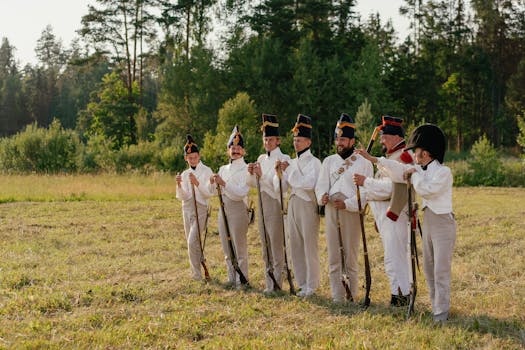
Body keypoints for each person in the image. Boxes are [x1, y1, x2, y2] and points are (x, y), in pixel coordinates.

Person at [356, 123, 456, 322]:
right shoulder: (420, 169)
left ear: (426, 153)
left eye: (417, 151)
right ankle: (436, 308)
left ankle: (441, 313)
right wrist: (375, 160)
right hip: (428, 221)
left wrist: (414, 175)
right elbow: (397, 169)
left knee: (440, 269)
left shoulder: (443, 172)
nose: (414, 155)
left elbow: (428, 190)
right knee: (428, 268)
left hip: (443, 223)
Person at [353, 116, 413, 306]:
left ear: (395, 137)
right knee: (391, 256)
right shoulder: (392, 157)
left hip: (396, 216)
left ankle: (402, 296)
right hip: (386, 216)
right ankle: (397, 293)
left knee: (396, 257)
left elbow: (391, 188)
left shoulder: (403, 157)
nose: (381, 140)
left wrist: (366, 182)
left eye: (384, 136)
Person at [315, 113, 373, 302]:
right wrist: (322, 196)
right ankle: (337, 296)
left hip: (351, 211)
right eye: (337, 139)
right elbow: (321, 184)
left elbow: (366, 191)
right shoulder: (329, 161)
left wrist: (347, 204)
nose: (339, 143)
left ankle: (352, 295)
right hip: (332, 209)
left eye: (343, 139)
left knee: (350, 255)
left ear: (352, 141)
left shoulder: (363, 162)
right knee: (333, 255)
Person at [276, 114, 321, 297]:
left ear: (308, 142)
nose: (296, 143)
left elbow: (308, 183)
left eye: (300, 140)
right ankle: (302, 283)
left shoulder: (314, 162)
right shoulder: (292, 163)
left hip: (307, 203)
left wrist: (289, 170)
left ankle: (312, 285)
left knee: (309, 245)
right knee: (295, 245)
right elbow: (285, 186)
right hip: (293, 202)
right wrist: (278, 173)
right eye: (294, 140)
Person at [247, 114, 291, 293]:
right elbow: (251, 184)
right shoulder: (261, 159)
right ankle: (269, 281)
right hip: (261, 202)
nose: (268, 143)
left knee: (275, 242)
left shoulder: (283, 158)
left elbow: (279, 188)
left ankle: (278, 282)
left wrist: (261, 175)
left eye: (271, 139)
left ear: (278, 140)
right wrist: (251, 173)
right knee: (264, 244)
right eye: (265, 139)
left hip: (274, 203)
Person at [209, 126, 250, 288]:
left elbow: (241, 192)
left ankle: (242, 280)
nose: (235, 151)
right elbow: (213, 192)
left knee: (239, 247)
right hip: (223, 208)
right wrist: (212, 183)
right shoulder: (222, 169)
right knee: (227, 248)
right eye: (233, 148)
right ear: (228, 150)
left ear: (243, 151)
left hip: (238, 208)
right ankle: (231, 278)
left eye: (239, 148)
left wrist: (223, 183)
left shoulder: (246, 169)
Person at [176, 134, 214, 281]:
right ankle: (197, 271)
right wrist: (179, 184)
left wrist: (197, 183)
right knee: (192, 242)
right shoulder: (185, 173)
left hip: (201, 209)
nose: (193, 160)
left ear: (199, 156)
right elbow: (183, 196)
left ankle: (197, 274)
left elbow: (208, 193)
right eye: (190, 157)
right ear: (186, 158)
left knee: (192, 241)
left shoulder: (206, 170)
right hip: (187, 208)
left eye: (195, 157)